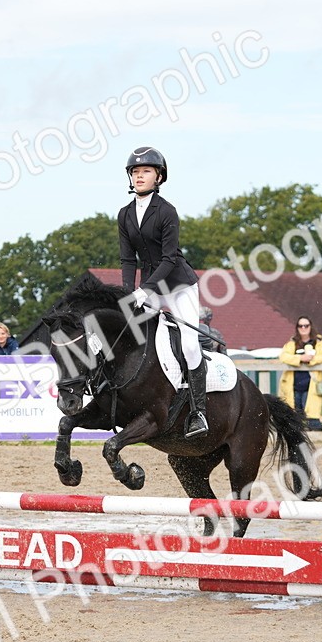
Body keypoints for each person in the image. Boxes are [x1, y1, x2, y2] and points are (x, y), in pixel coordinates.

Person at [119, 146, 208, 438]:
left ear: (159, 177)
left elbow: (169, 259)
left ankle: (198, 413)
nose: (139, 175)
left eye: (146, 171)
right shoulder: (125, 214)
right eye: (135, 171)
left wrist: (144, 290)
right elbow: (128, 259)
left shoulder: (166, 211)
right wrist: (126, 293)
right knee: (135, 338)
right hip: (149, 286)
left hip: (178, 283)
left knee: (191, 344)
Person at [278, 316, 322, 430]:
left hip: (311, 384)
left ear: (310, 327)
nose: (303, 328)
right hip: (294, 384)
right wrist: (300, 358)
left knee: (312, 416)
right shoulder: (292, 342)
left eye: (306, 325)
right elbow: (284, 357)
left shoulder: (319, 342)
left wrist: (311, 359)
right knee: (295, 415)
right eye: (300, 326)